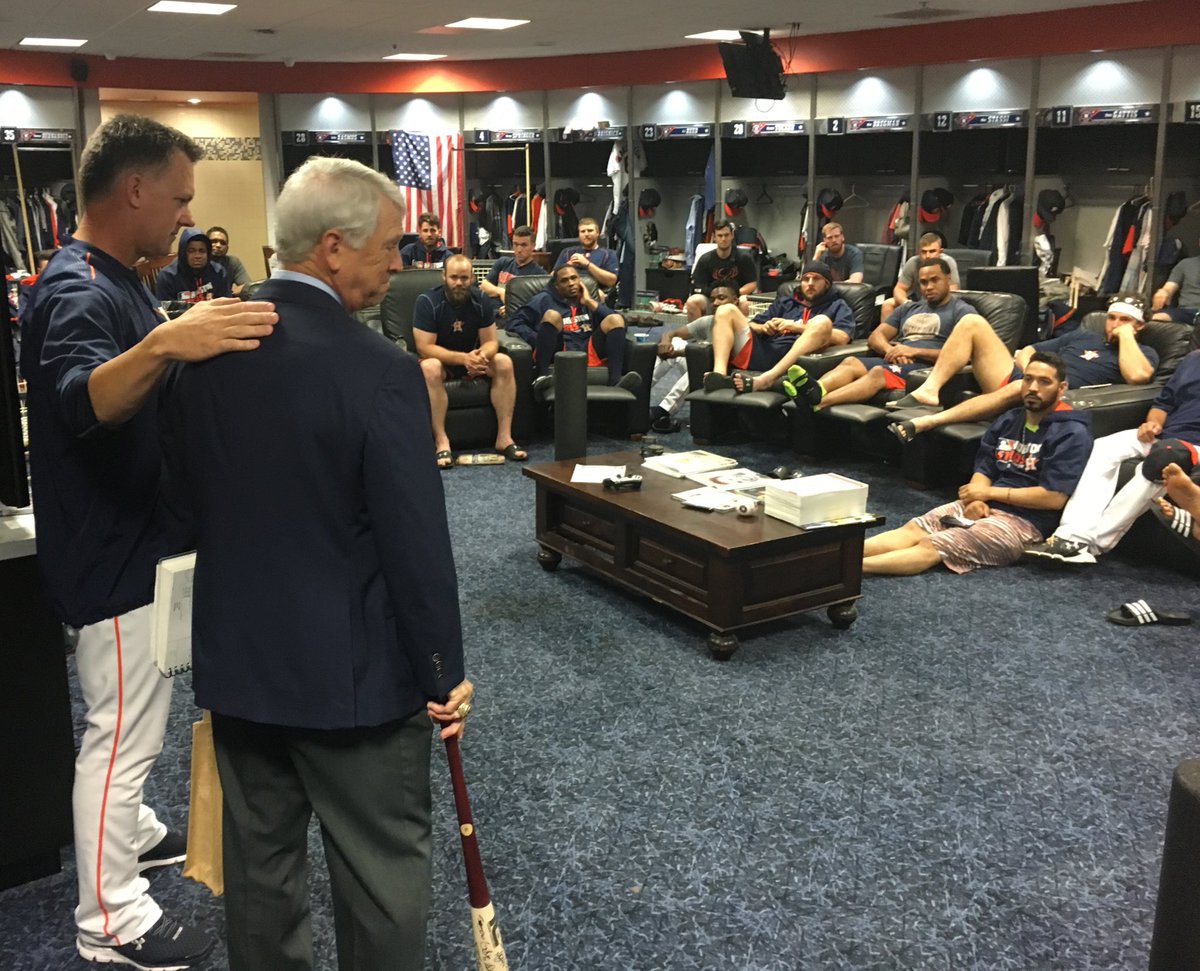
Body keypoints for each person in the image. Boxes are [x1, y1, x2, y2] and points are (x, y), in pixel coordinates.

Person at [159, 156, 474, 971]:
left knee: (259, 882)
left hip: (240, 670)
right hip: (357, 683)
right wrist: (443, 670)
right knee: (380, 883)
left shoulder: (202, 354)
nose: (399, 262)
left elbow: (178, 500)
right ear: (333, 248)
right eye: (391, 246)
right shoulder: (380, 373)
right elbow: (416, 545)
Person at [20, 113, 278, 970]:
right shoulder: (77, 290)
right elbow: (83, 398)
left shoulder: (114, 275)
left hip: (136, 541)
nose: (184, 219)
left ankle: (129, 831)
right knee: (120, 732)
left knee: (134, 721)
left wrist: (172, 329)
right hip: (111, 556)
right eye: (177, 199)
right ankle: (112, 917)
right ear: (133, 190)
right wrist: (168, 340)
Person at [863, 351, 1091, 575]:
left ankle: (845, 569)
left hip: (1024, 523)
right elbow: (985, 467)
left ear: (1061, 389)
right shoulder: (1009, 419)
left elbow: (1053, 498)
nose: (1033, 388)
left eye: (1044, 382)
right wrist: (976, 498)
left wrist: (987, 493)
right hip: (985, 502)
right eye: (1028, 379)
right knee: (913, 530)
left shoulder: (1071, 433)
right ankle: (837, 556)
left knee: (933, 544)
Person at [887, 299, 1159, 443]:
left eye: (1124, 320)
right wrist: (1033, 374)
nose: (1114, 324)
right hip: (1021, 379)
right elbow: (1027, 350)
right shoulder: (1082, 336)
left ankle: (927, 422)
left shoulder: (1143, 354)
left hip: (1054, 398)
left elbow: (1138, 376)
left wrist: (1125, 337)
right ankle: (930, 390)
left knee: (1023, 386)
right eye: (1112, 318)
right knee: (972, 322)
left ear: (1139, 326)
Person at [1024, 348, 1200, 565]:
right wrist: (1152, 424)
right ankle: (1073, 535)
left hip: (1193, 445)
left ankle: (1093, 543)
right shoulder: (1193, 359)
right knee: (1103, 446)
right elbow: (1163, 404)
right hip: (1165, 435)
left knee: (1163, 456)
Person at [787, 257, 982, 410]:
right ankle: (815, 389)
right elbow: (875, 337)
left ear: (948, 280)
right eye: (923, 282)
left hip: (924, 369)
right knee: (850, 362)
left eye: (934, 280)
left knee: (879, 373)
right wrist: (890, 349)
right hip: (897, 361)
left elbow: (965, 356)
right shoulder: (908, 308)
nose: (928, 287)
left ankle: (819, 402)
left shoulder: (962, 311)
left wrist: (914, 352)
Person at [415, 254, 527, 468]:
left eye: (464, 278)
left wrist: (480, 357)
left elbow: (491, 342)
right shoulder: (427, 301)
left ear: (473, 278)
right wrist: (463, 359)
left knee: (503, 362)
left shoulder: (481, 299)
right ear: (444, 277)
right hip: (443, 363)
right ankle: (441, 441)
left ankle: (504, 438)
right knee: (429, 367)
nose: (459, 283)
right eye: (454, 277)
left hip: (474, 360)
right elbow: (424, 347)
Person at [700, 261, 855, 393]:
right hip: (764, 351)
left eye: (816, 279)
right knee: (725, 310)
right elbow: (752, 323)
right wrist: (763, 328)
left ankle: (767, 379)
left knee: (822, 322)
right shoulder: (786, 302)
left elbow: (843, 337)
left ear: (826, 284)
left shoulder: (837, 306)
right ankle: (719, 376)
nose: (809, 284)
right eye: (806, 279)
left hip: (797, 361)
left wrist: (797, 327)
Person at [509, 264, 639, 389]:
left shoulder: (589, 302)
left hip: (589, 350)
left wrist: (589, 302)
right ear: (557, 286)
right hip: (558, 352)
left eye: (574, 278)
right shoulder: (543, 299)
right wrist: (538, 339)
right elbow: (514, 322)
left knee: (615, 319)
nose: (571, 283)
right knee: (552, 316)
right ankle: (541, 377)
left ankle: (615, 380)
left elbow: (620, 325)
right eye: (564, 280)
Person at [649, 283, 737, 432]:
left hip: (725, 373)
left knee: (699, 363)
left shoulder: (740, 324)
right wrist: (666, 342)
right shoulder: (709, 320)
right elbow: (671, 333)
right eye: (713, 299)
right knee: (676, 343)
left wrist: (678, 353)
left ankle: (664, 410)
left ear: (735, 301)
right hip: (703, 363)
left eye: (721, 298)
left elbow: (714, 354)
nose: (715, 303)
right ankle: (638, 391)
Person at [684, 219, 757, 320]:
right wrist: (718, 297)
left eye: (726, 235)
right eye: (720, 235)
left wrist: (733, 295)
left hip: (735, 298)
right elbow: (697, 285)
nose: (723, 239)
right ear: (714, 237)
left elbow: (752, 283)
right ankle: (697, 334)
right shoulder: (705, 259)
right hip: (711, 298)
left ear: (732, 235)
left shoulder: (744, 258)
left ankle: (742, 335)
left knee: (745, 302)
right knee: (692, 301)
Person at [880, 231, 959, 322]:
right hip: (916, 301)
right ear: (918, 252)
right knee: (888, 304)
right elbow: (899, 288)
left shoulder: (948, 263)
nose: (928, 256)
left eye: (932, 251)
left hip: (939, 301)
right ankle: (888, 333)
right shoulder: (912, 263)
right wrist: (906, 303)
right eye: (924, 252)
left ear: (940, 252)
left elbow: (953, 291)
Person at [154, 226, 231, 303]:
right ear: (183, 253)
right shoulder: (167, 276)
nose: (197, 256)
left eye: (202, 251)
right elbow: (164, 311)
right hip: (182, 315)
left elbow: (226, 304)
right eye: (191, 251)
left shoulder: (218, 272)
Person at [479, 223, 542, 312]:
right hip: (489, 314)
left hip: (514, 317)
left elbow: (536, 305)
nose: (519, 250)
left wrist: (513, 308)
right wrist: (501, 292)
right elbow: (483, 286)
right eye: (515, 244)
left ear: (533, 246)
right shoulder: (503, 262)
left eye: (524, 245)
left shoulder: (539, 275)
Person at [552, 216, 618, 292]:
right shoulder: (567, 252)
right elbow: (551, 278)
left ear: (597, 233)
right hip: (568, 293)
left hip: (595, 293)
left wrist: (587, 264)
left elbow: (611, 281)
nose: (586, 234)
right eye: (583, 231)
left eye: (590, 231)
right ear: (579, 234)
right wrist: (567, 267)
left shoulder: (609, 254)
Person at [1151, 244, 1200, 324]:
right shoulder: (1185, 264)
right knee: (1154, 319)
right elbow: (1169, 287)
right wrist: (1163, 291)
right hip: (1187, 312)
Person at [206, 224, 252, 295]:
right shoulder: (197, 262)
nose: (218, 245)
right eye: (214, 241)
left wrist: (230, 294)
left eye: (223, 243)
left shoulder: (232, 262)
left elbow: (249, 286)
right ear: (205, 244)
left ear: (227, 248)